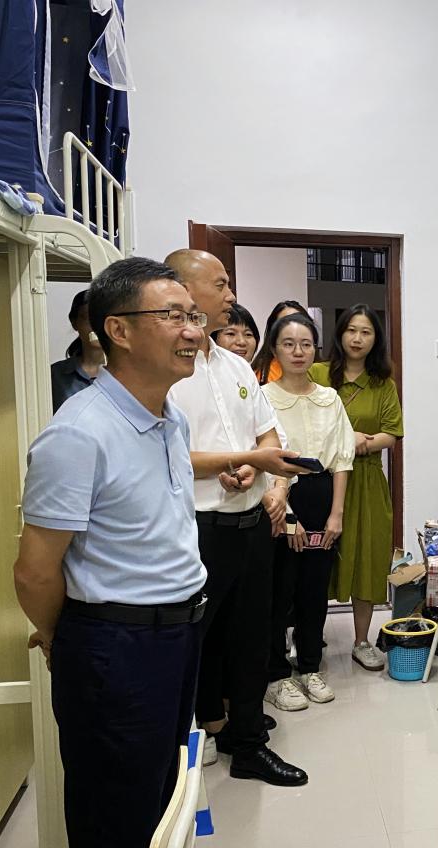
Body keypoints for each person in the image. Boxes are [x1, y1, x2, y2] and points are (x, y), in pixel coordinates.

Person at [14, 257, 226, 848]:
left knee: (158, 800)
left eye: (193, 316)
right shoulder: (79, 434)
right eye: (173, 316)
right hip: (115, 645)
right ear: (118, 330)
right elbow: (35, 571)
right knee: (113, 820)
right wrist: (64, 639)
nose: (192, 330)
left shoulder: (169, 420)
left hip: (175, 635)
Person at [166, 248, 308, 787]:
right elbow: (167, 455)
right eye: (221, 284)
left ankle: (247, 743)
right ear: (182, 290)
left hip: (250, 525)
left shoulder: (233, 365)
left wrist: (253, 465)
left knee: (251, 639)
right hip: (197, 528)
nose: (231, 295)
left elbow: (266, 433)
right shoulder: (166, 369)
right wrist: (243, 459)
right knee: (195, 641)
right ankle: (196, 735)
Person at [256, 311, 354, 709]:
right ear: (275, 349)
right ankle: (277, 676)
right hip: (280, 498)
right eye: (289, 344)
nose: (298, 352)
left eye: (306, 344)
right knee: (280, 592)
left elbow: (343, 459)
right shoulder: (263, 397)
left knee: (315, 590)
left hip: (322, 494)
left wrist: (337, 514)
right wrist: (289, 518)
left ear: (316, 349)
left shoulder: (329, 398)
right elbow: (265, 460)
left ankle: (310, 666)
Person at [310, 303, 403, 673]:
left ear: (375, 339)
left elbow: (391, 434)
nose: (358, 338)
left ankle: (362, 641)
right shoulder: (318, 374)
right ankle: (309, 640)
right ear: (340, 333)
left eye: (366, 332)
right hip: (322, 478)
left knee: (368, 558)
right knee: (318, 560)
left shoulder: (383, 383)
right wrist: (349, 439)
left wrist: (363, 443)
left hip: (366, 481)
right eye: (351, 330)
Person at [49, 289, 104, 412]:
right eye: (88, 318)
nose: (96, 326)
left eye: (102, 318)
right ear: (74, 323)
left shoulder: (128, 373)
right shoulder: (55, 375)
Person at [260, 300, 311, 382]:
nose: (294, 328)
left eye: (299, 322)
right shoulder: (264, 375)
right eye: (285, 323)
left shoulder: (320, 371)